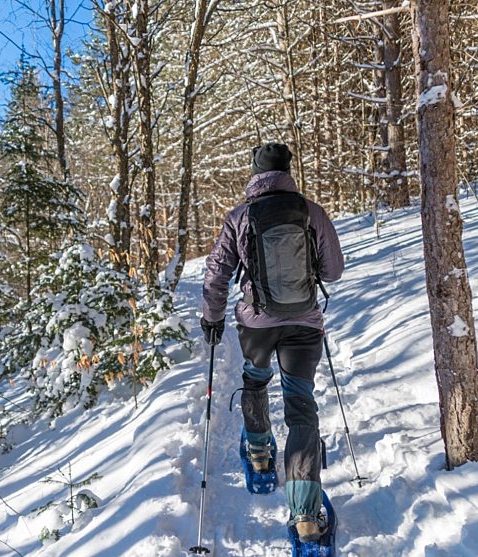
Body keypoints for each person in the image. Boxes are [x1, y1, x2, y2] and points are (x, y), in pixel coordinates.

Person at [200, 142, 344, 542]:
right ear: (288, 171)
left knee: (256, 380)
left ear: (254, 173)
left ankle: (261, 456)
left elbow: (216, 273)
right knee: (301, 408)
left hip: (257, 324)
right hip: (303, 324)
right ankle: (305, 516)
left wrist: (211, 317)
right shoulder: (310, 212)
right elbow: (333, 272)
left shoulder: (240, 217)